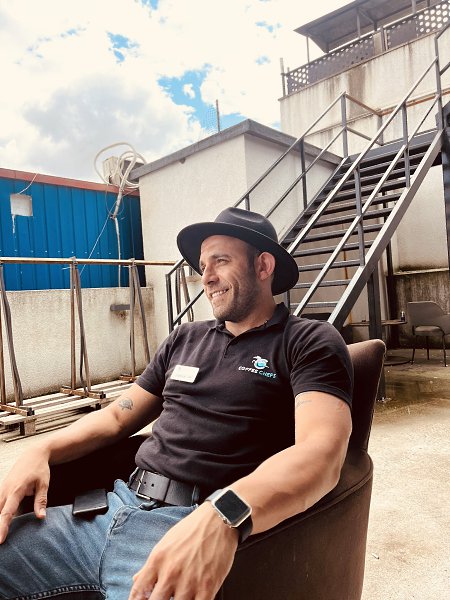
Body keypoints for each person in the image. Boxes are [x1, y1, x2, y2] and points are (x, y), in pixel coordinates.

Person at [0, 207, 353, 600]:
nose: (207, 277)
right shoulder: (185, 338)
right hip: (108, 510)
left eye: (221, 260)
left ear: (263, 265)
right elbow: (117, 416)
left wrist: (225, 514)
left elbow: (321, 452)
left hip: (188, 527)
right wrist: (41, 450)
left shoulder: (307, 341)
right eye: (203, 266)